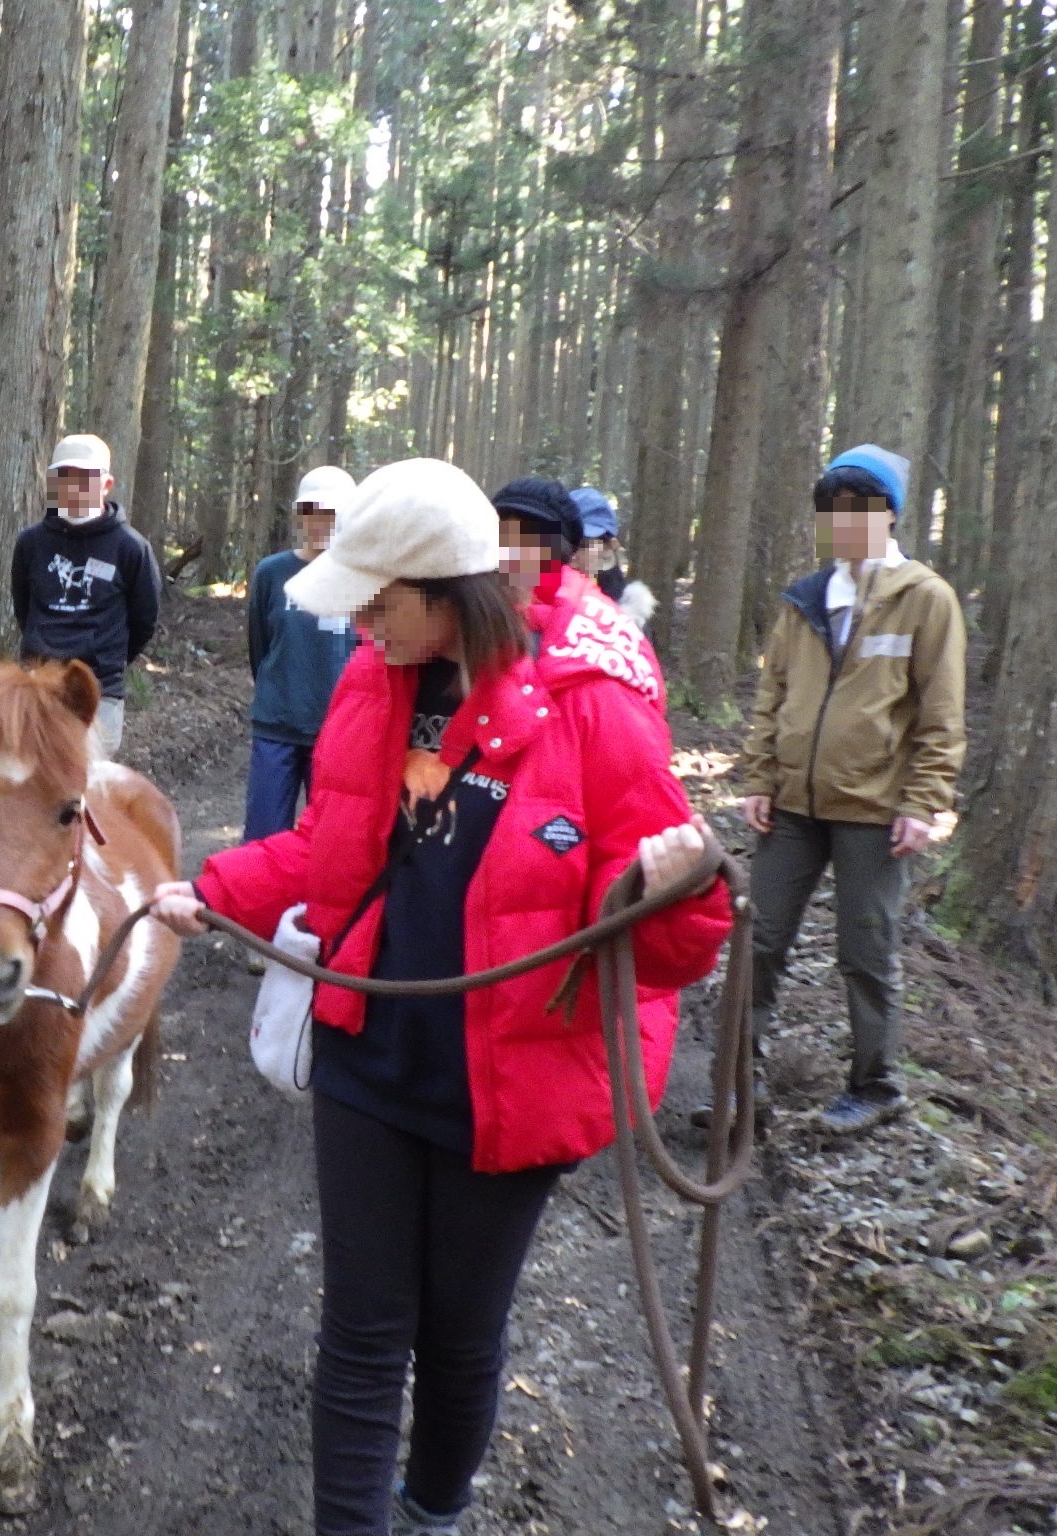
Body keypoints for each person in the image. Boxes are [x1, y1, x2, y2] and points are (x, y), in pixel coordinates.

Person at [146, 460, 732, 1536]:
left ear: (442, 590)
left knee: (459, 1332)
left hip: (516, 1075)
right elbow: (336, 845)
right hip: (371, 1052)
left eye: (376, 602)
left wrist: (674, 888)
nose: (359, 625)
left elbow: (680, 947)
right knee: (361, 1330)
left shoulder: (594, 709)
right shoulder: (375, 679)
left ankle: (431, 1512)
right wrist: (213, 887)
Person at [739, 445, 965, 1136]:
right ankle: (736, 1087)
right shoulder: (806, 599)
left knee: (866, 953)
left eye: (860, 509)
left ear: (889, 516)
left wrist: (925, 801)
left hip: (875, 811)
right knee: (759, 940)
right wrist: (759, 776)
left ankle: (876, 1084)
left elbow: (941, 712)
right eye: (834, 511)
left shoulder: (924, 599)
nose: (846, 523)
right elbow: (772, 693)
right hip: (792, 808)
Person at [9, 433, 162, 759]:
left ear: (106, 484)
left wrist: (107, 658)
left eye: (84, 478)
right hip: (37, 685)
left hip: (99, 690)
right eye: (64, 477)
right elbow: (24, 608)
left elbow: (144, 620)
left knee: (85, 788)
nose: (73, 486)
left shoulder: (131, 547)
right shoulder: (31, 543)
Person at [243, 464, 360, 844]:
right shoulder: (272, 573)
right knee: (263, 836)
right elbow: (259, 645)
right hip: (277, 725)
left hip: (337, 731)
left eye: (331, 512)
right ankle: (254, 905)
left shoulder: (363, 578)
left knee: (329, 840)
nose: (320, 522)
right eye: (311, 511)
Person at [492, 474, 667, 716]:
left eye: (585, 544)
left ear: (609, 548)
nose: (575, 553)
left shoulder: (625, 617)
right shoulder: (521, 595)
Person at [568, 485, 657, 630]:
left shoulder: (630, 616)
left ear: (610, 547)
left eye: (582, 544)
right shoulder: (534, 601)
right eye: (564, 542)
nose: (571, 555)